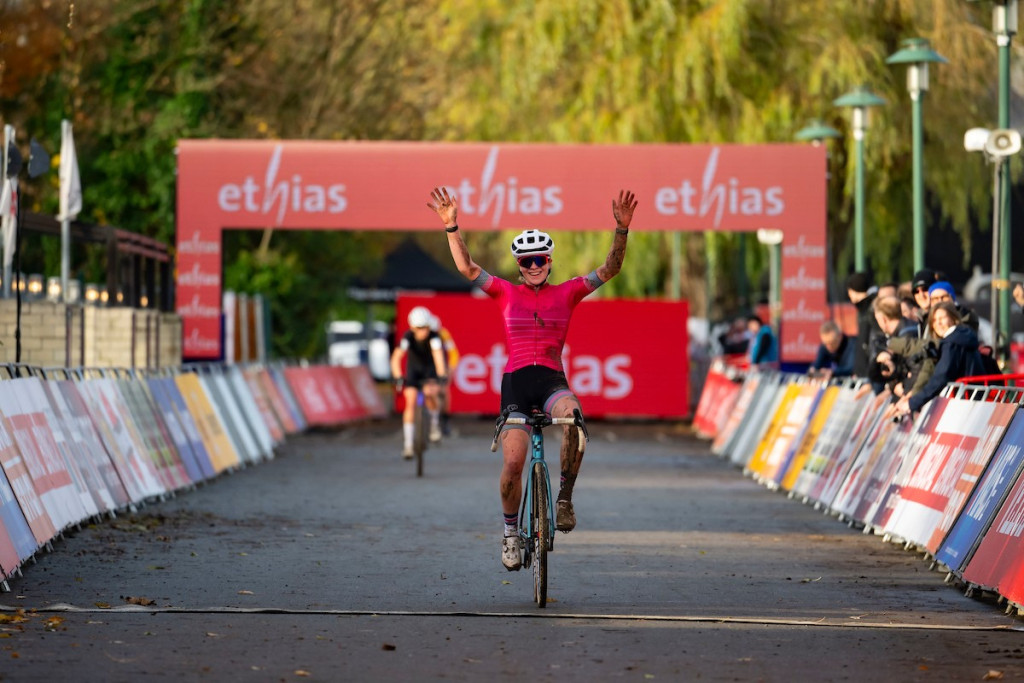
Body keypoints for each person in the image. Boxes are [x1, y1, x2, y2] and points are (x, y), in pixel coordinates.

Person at [427, 185, 637, 572]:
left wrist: (621, 230)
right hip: (517, 384)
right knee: (513, 465)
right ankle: (510, 534)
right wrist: (451, 226)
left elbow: (610, 270)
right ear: (518, 266)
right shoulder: (505, 293)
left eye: (540, 259)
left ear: (550, 261)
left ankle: (564, 499)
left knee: (574, 419)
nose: (534, 266)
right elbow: (468, 269)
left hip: (553, 380)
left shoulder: (569, 292)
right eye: (526, 261)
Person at [893, 301, 985, 417]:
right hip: (975, 400)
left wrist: (912, 403)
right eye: (934, 320)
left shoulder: (952, 342)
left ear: (953, 318)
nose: (938, 323)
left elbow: (941, 376)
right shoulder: (963, 336)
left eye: (942, 318)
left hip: (967, 404)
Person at [389, 306, 448, 458]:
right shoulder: (407, 337)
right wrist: (397, 375)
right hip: (413, 371)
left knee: (431, 393)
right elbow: (396, 357)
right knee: (410, 401)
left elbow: (438, 357)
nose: (422, 332)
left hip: (430, 370)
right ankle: (408, 445)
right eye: (419, 328)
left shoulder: (434, 337)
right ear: (412, 327)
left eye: (425, 328)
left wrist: (441, 375)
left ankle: (434, 424)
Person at [430, 314, 460, 436]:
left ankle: (445, 421)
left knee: (443, 391)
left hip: (440, 366)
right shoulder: (418, 334)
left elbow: (453, 353)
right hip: (426, 366)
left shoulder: (443, 334)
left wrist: (450, 369)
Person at [846, 271, 880, 378]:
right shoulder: (866, 309)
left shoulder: (869, 310)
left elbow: (868, 343)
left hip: (870, 374)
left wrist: (862, 372)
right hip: (867, 372)